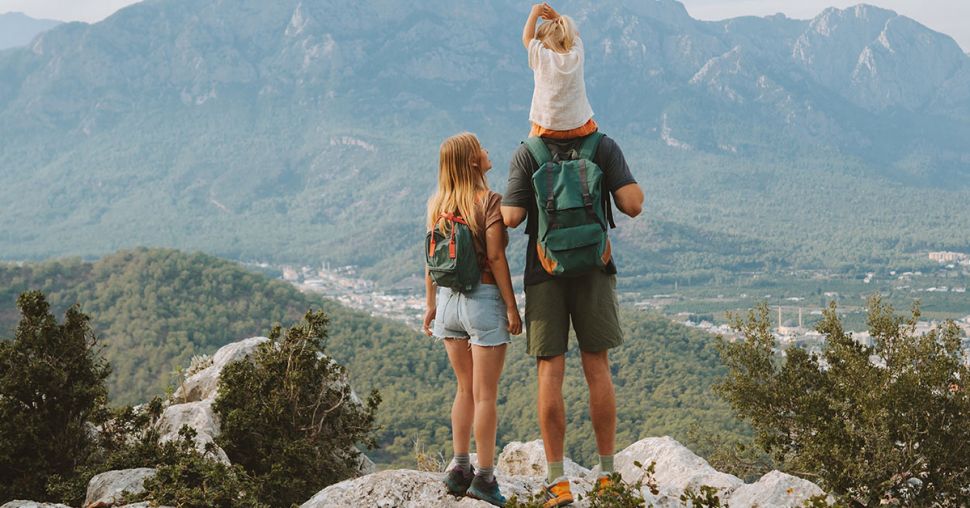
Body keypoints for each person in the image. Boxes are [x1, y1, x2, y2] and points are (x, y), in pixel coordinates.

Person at [502, 6, 645, 507]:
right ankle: (608, 475)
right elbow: (631, 204)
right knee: (597, 367)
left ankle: (558, 480)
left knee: (550, 371)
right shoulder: (602, 146)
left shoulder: (527, 153)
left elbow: (515, 218)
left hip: (544, 273)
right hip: (595, 269)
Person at [422, 132, 523, 507]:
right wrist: (511, 308)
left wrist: (431, 305)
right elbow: (496, 259)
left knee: (464, 390)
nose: (487, 151)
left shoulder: (438, 204)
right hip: (482, 300)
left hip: (448, 302)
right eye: (481, 148)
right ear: (471, 162)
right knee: (486, 396)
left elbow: (430, 260)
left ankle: (459, 468)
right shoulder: (489, 201)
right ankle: (484, 477)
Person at [524, 3, 597, 140]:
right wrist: (557, 17)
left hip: (546, 128)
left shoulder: (542, 58)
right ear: (566, 40)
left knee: (527, 146)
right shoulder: (576, 56)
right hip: (580, 127)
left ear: (542, 42)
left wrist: (534, 13)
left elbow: (527, 38)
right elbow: (576, 35)